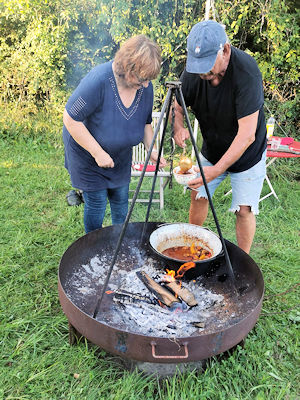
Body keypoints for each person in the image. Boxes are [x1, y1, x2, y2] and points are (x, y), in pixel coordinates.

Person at [173, 20, 267, 254]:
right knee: (198, 194)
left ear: (225, 50)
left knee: (244, 210)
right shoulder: (195, 72)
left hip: (247, 155)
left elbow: (247, 135)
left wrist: (215, 171)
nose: (203, 73)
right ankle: (191, 247)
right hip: (212, 149)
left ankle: (242, 261)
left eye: (208, 66)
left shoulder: (246, 72)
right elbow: (178, 106)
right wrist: (178, 127)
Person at [63, 35, 166, 233]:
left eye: (149, 80)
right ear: (128, 68)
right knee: (97, 203)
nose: (146, 85)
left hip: (119, 156)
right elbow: (70, 119)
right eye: (143, 79)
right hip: (87, 154)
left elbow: (145, 122)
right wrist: (98, 153)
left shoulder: (145, 88)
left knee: (120, 201)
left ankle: (120, 244)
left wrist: (151, 149)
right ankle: (94, 247)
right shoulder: (98, 80)